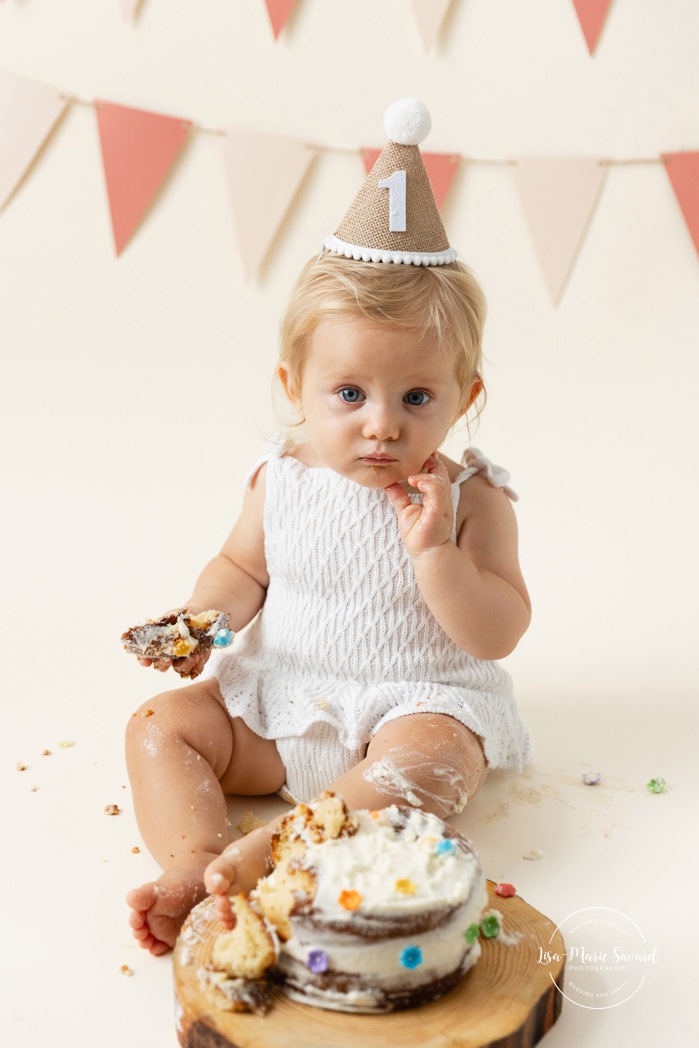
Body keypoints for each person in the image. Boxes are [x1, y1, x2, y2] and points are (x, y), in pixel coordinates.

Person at [125, 100, 531, 956]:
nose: (381, 424)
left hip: (414, 707)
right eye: (349, 394)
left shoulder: (473, 497)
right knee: (161, 725)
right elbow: (241, 567)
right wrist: (204, 620)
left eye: (417, 397)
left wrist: (436, 559)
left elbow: (497, 633)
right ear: (295, 384)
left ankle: (269, 851)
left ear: (465, 398)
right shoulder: (283, 477)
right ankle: (194, 863)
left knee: (427, 768)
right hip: (281, 710)